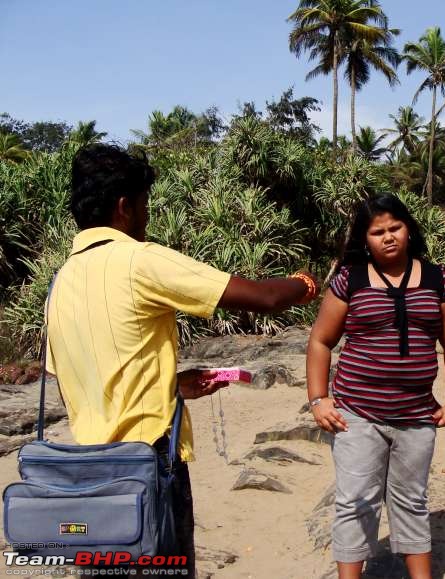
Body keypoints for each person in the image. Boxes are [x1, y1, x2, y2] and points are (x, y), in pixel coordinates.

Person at [45, 143, 319, 575]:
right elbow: (263, 297)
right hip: (146, 469)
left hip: (88, 475)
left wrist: (170, 385)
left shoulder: (60, 283)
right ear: (124, 208)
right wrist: (305, 282)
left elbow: (85, 382)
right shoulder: (139, 260)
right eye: (144, 205)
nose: (146, 216)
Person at [306, 193, 445, 579]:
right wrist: (318, 399)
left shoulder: (438, 278)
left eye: (395, 227)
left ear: (409, 228)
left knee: (412, 500)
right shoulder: (351, 278)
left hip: (416, 415)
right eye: (377, 231)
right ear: (365, 239)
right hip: (356, 413)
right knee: (355, 501)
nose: (388, 237)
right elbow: (320, 341)